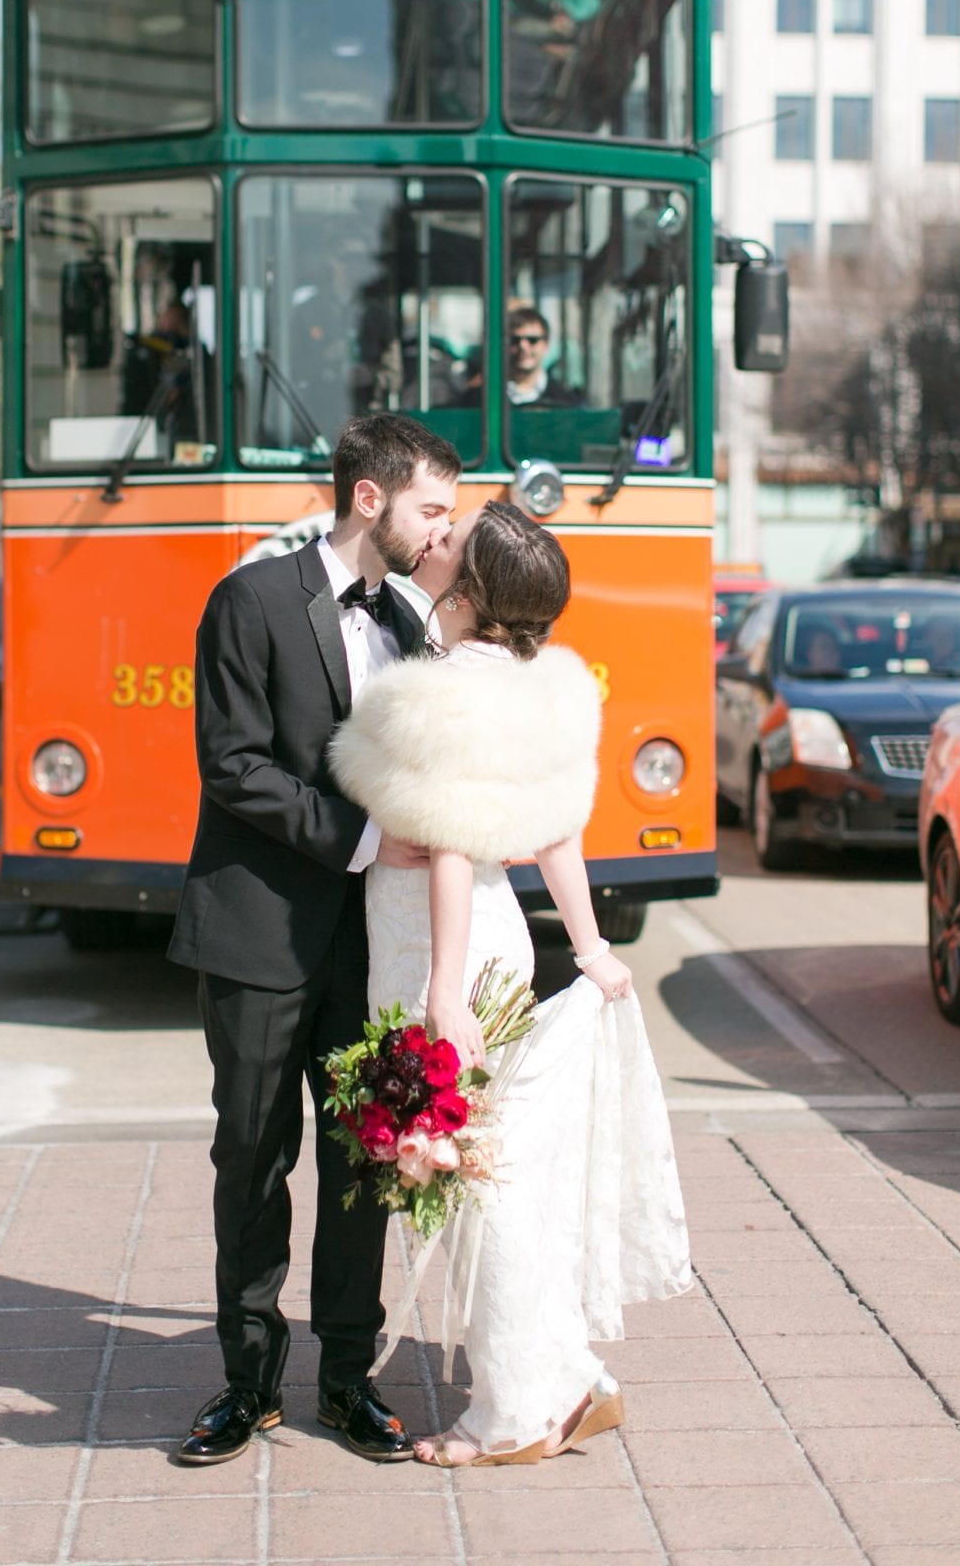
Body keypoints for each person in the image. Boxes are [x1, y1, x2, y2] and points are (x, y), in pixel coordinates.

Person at [329, 501, 691, 1468]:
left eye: (454, 541)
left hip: (437, 946)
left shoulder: (444, 690)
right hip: (501, 943)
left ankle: (518, 1413)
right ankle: (563, 1373)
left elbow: (448, 841)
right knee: (499, 1178)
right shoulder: (545, 686)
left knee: (475, 1189)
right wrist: (593, 943)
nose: (435, 540)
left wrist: (444, 993)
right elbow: (561, 827)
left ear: (478, 589)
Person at [169, 413, 461, 1467]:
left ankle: (347, 1379)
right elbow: (232, 765)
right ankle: (246, 1386)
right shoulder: (248, 599)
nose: (443, 529)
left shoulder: (416, 621)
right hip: (256, 932)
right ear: (371, 498)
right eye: (433, 507)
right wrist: (366, 839)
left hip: (370, 947)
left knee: (360, 1164)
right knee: (251, 1155)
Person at [505, 307, 576, 407]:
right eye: (515, 340)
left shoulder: (567, 401)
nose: (523, 347)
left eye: (532, 340)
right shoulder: (482, 398)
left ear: (546, 345)